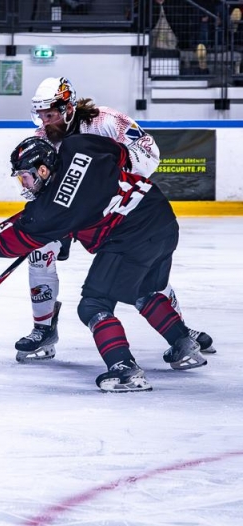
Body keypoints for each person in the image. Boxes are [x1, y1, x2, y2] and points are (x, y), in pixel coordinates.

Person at [0, 135, 208, 392]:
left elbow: (16, 236)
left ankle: (125, 370)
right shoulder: (79, 146)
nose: (24, 184)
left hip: (131, 234)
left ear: (43, 169)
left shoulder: (51, 209)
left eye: (26, 176)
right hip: (160, 217)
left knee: (93, 304)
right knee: (143, 291)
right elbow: (120, 155)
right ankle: (183, 345)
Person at [13, 76, 214, 363]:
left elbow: (149, 152)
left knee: (143, 267)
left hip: (115, 210)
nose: (45, 122)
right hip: (71, 212)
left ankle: (181, 331)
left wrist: (104, 179)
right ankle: (43, 329)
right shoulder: (43, 140)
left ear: (68, 108)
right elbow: (37, 185)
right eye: (41, 115)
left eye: (51, 114)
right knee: (39, 252)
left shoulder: (106, 121)